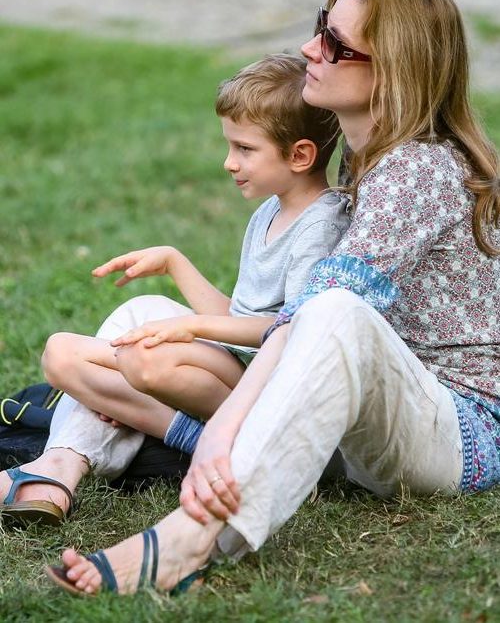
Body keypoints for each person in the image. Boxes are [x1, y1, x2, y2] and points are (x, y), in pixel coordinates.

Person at [43, 0, 500, 596]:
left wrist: (223, 432)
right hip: (372, 411)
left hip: (456, 431)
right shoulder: (368, 158)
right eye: (320, 28)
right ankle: (59, 465)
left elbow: (311, 317)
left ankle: (195, 537)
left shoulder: (416, 168)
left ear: (393, 71)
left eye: (337, 45)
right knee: (149, 312)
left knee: (334, 307)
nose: (312, 48)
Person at [0, 54, 349, 526]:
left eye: (245, 148)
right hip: (236, 369)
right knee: (88, 340)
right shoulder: (271, 210)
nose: (229, 162)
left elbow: (292, 331)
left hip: (270, 389)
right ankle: (61, 465)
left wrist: (191, 328)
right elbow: (241, 317)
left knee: (101, 358)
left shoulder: (320, 225)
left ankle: (176, 436)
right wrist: (173, 262)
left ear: (300, 155)